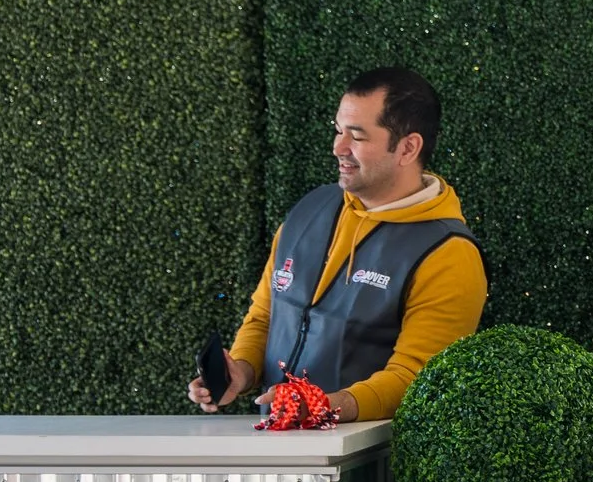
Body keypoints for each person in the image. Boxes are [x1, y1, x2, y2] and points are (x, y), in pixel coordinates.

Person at [189, 66, 486, 423]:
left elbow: (418, 379)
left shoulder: (449, 253)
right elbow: (266, 316)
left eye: (357, 136)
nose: (338, 147)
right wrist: (241, 370)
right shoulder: (309, 209)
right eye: (338, 130)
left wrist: (322, 407)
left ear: (408, 148)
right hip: (278, 448)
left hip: (368, 455)